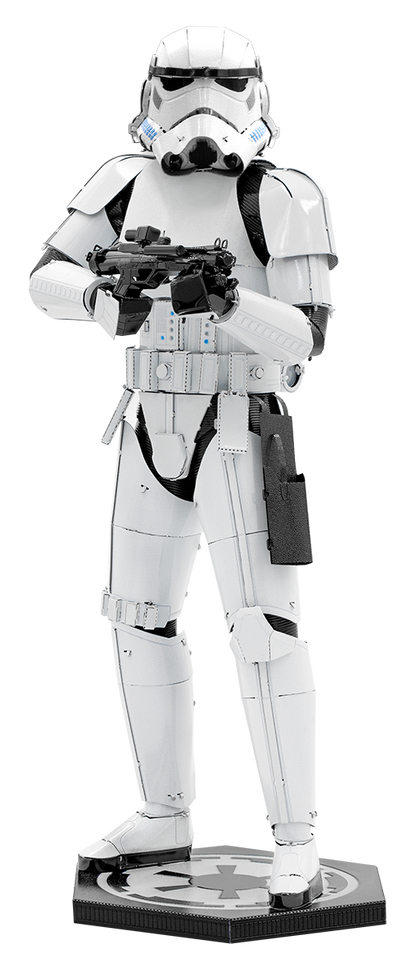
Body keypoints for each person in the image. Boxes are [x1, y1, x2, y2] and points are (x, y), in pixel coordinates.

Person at [27, 23, 339, 909]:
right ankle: (164, 812)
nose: (204, 99)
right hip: (146, 419)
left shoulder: (284, 194)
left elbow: (306, 341)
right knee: (136, 616)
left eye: (225, 81)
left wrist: (230, 302)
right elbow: (44, 276)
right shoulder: (123, 181)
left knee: (264, 630)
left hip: (240, 423)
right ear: (151, 90)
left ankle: (295, 837)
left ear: (257, 90)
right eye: (183, 79)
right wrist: (100, 300)